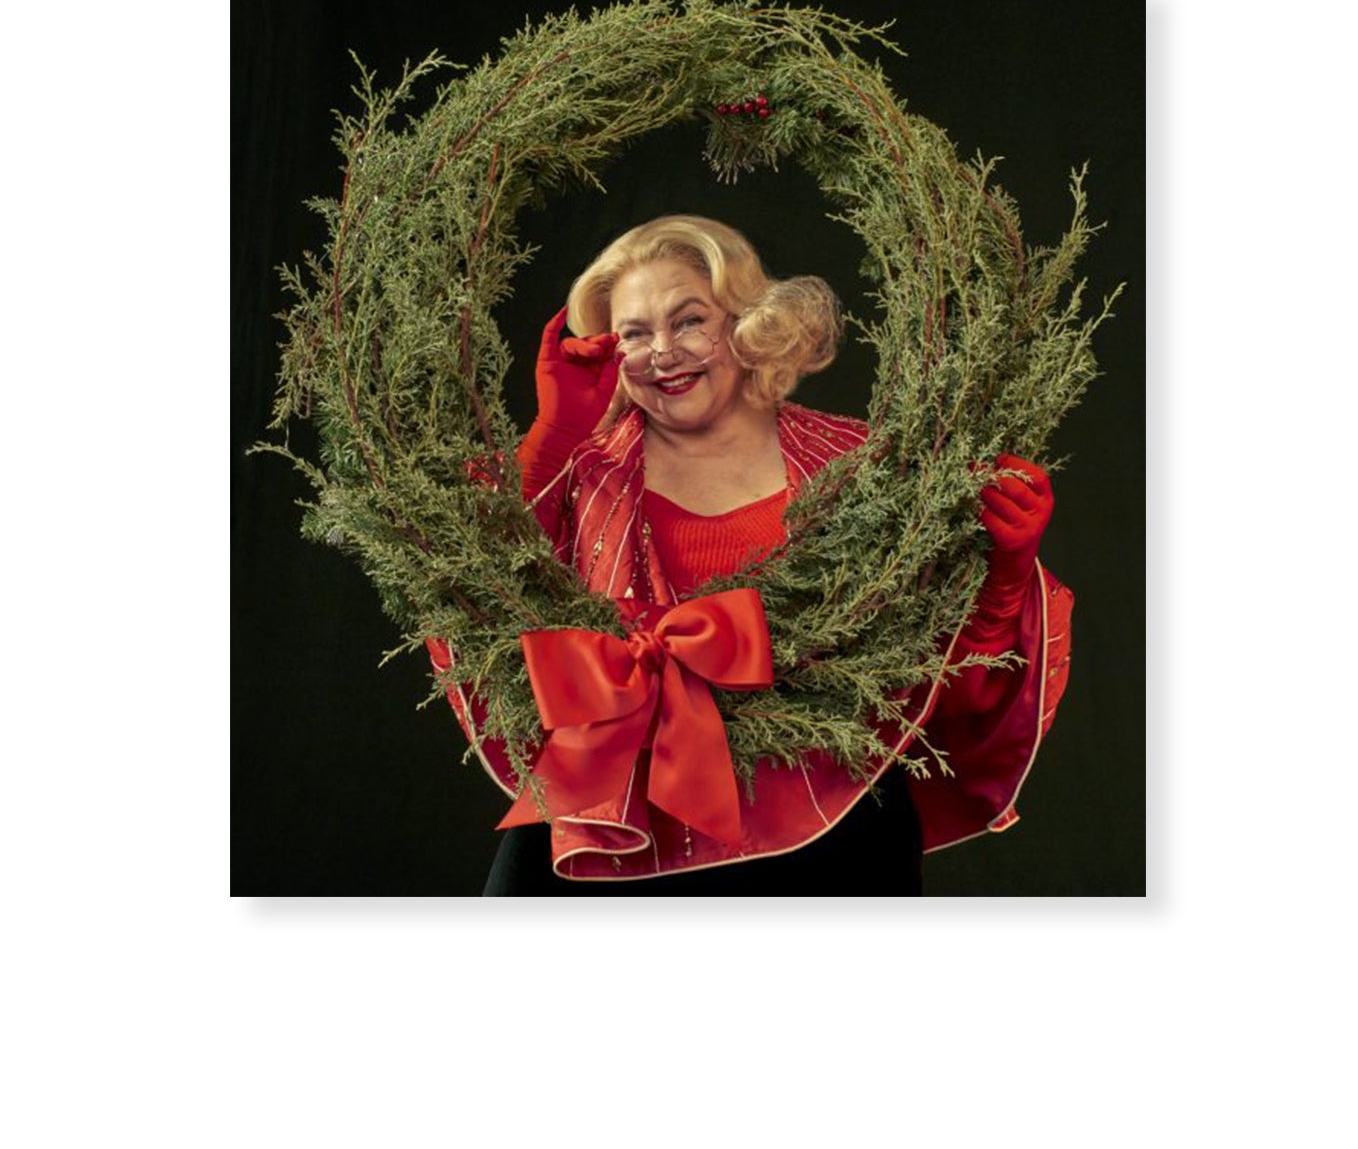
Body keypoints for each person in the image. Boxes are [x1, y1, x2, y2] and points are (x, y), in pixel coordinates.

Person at [428, 215, 1072, 895]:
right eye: (634, 335)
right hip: (611, 826)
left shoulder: (864, 472)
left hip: (834, 828)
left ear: (749, 324)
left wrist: (1001, 577)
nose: (662, 353)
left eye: (689, 322)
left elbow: (946, 691)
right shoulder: (577, 475)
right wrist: (554, 436)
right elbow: (485, 600)